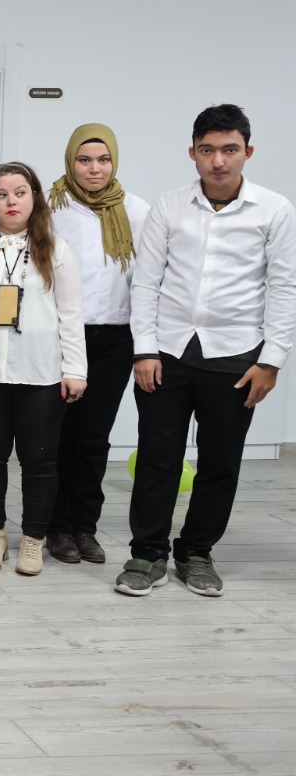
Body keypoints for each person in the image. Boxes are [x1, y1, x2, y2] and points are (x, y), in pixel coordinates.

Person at [118, 105, 296, 598]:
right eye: (208, 150)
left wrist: (272, 360)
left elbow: (285, 287)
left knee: (220, 463)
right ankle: (147, 554)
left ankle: (196, 552)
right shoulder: (169, 206)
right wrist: (144, 350)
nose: (218, 160)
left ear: (248, 152)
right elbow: (146, 282)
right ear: (192, 152)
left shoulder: (274, 209)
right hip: (167, 352)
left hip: (237, 355)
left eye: (229, 150)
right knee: (158, 458)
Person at [0, 163, 87, 577]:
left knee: (39, 461)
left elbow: (71, 313)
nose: (11, 201)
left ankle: (32, 541)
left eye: (20, 193)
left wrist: (75, 369)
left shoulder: (56, 249)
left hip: (41, 373)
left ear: (34, 198)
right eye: (1, 194)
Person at [45, 124, 149, 566]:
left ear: (114, 162)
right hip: (62, 336)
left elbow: (148, 280)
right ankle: (55, 527)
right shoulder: (50, 209)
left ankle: (84, 527)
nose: (94, 169)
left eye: (103, 160)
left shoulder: (138, 211)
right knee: (58, 436)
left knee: (93, 438)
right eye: (84, 159)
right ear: (70, 161)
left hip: (116, 339)